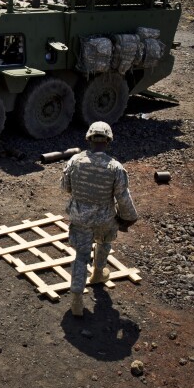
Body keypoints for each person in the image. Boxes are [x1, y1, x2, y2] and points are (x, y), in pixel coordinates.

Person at [61, 122, 138, 318]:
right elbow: (123, 197)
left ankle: (77, 298)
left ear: (88, 139)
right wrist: (129, 218)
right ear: (109, 141)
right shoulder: (115, 167)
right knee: (104, 242)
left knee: (81, 255)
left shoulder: (75, 161)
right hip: (104, 218)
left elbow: (65, 187)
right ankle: (98, 273)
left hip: (80, 217)